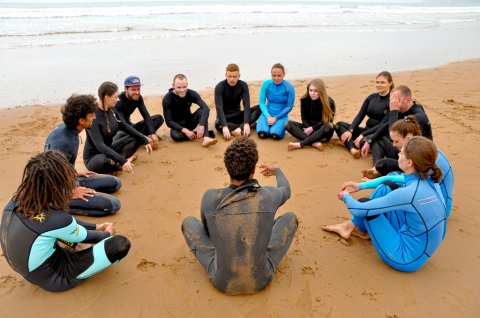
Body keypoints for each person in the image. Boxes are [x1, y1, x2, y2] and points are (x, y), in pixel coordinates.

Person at [181, 136, 298, 294]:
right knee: (290, 218)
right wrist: (277, 170)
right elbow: (286, 190)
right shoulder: (269, 195)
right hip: (261, 279)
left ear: (227, 167)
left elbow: (208, 232)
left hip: (221, 281)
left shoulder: (209, 197)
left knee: (188, 222)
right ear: (253, 170)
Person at [0, 151, 131, 292]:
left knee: (56, 230)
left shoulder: (17, 199)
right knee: (120, 244)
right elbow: (89, 235)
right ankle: (81, 251)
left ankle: (77, 245)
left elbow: (60, 224)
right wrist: (107, 232)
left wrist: (96, 226)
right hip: (56, 277)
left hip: (24, 267)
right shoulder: (58, 219)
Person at [322, 137, 447, 272]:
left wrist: (346, 196)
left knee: (365, 205)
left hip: (406, 258)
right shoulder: (429, 177)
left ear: (409, 162)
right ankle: (353, 228)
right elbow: (391, 178)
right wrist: (360, 185)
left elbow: (358, 209)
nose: (398, 154)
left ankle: (352, 227)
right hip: (422, 246)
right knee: (386, 187)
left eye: (401, 153)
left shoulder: (410, 193)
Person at [358, 116, 454, 217]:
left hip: (438, 209)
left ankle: (363, 217)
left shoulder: (424, 155)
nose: (393, 145)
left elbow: (413, 183)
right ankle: (365, 215)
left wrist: (366, 185)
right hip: (432, 202)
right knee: (391, 179)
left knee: (387, 186)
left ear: (408, 138)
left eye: (396, 141)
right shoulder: (424, 149)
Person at [45, 94, 122, 216]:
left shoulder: (68, 130)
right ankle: (57, 206)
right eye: (92, 115)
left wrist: (73, 172)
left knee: (116, 183)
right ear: (81, 121)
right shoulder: (63, 142)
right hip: (55, 191)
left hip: (67, 179)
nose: (95, 117)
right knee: (114, 204)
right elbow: (48, 174)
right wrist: (71, 191)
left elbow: (62, 164)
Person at [83, 81, 153, 174]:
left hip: (110, 149)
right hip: (94, 157)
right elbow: (100, 145)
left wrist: (144, 139)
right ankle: (123, 162)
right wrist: (122, 160)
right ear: (106, 97)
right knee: (107, 160)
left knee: (135, 138)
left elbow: (124, 126)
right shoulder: (92, 116)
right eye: (116, 97)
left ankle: (119, 162)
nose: (118, 100)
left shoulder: (112, 109)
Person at [359, 85, 433, 168]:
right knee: (376, 138)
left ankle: (377, 169)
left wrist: (394, 110)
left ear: (408, 99)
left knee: (382, 163)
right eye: (392, 100)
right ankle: (375, 169)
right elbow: (386, 125)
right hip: (406, 152)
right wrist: (369, 141)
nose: (393, 103)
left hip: (416, 162)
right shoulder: (405, 109)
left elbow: (393, 134)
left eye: (396, 99)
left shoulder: (419, 116)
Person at [335, 71, 393, 159]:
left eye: (382, 82)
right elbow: (360, 116)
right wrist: (350, 130)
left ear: (390, 84)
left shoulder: (392, 101)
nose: (379, 85)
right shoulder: (371, 98)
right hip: (366, 130)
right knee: (339, 125)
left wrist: (362, 135)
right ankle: (352, 149)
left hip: (378, 134)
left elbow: (382, 125)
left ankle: (350, 144)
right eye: (377, 82)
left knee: (364, 140)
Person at [162, 74, 217, 147]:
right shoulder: (167, 99)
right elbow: (169, 122)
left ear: (187, 84)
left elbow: (206, 108)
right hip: (178, 126)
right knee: (175, 136)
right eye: (179, 87)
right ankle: (196, 134)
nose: (182, 90)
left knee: (202, 111)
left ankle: (206, 138)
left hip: (190, 121)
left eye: (184, 87)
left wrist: (201, 125)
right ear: (173, 85)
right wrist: (185, 130)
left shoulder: (191, 93)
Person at [115, 75, 164, 149]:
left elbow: (146, 116)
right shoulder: (118, 102)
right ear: (126, 89)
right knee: (122, 135)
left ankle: (142, 137)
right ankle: (141, 138)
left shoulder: (138, 98)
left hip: (131, 127)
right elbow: (123, 125)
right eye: (133, 89)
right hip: (120, 131)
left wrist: (152, 133)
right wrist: (142, 136)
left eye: (138, 89)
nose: (137, 92)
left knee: (158, 118)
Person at [286, 78, 335, 151]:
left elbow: (328, 120)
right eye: (310, 90)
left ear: (321, 91)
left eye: (316, 91)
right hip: (308, 128)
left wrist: (313, 129)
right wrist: (309, 128)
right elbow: (304, 119)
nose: (312, 93)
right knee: (288, 124)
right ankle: (314, 143)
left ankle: (301, 144)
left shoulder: (329, 102)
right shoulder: (304, 100)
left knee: (328, 126)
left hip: (323, 131)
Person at [214, 63, 261, 139]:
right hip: (225, 117)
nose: (232, 79)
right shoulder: (220, 86)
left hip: (237, 115)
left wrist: (245, 123)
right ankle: (246, 125)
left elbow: (246, 105)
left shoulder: (243, 85)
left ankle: (241, 127)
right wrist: (225, 126)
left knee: (259, 108)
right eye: (229, 76)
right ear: (225, 75)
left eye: (234, 76)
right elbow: (219, 108)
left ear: (239, 76)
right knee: (218, 124)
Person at [256, 63, 295, 140]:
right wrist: (268, 116)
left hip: (281, 115)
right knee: (262, 134)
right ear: (271, 75)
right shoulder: (266, 84)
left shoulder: (289, 87)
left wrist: (276, 118)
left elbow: (289, 106)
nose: (276, 78)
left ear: (283, 74)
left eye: (279, 75)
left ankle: (275, 127)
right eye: (274, 75)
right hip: (267, 113)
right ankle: (264, 125)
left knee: (275, 135)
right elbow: (262, 103)